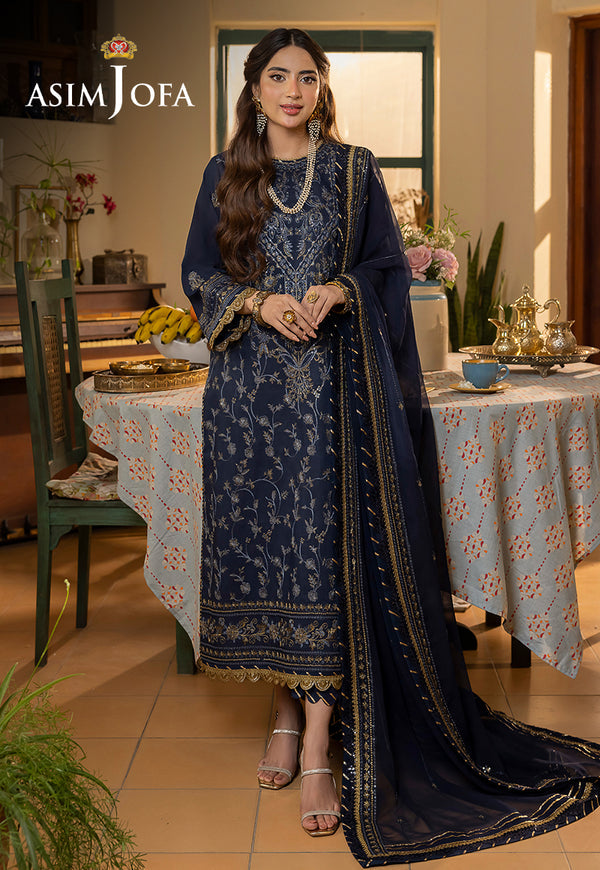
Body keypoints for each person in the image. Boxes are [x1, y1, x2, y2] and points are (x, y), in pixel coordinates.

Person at [182, 27, 600, 865]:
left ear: (320, 87)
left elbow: (384, 267)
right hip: (250, 402)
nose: (293, 91)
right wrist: (259, 304)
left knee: (324, 556)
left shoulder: (352, 169)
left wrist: (339, 288)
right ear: (254, 89)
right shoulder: (224, 173)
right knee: (272, 553)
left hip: (335, 399)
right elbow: (199, 273)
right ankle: (283, 711)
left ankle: (315, 744)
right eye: (277, 77)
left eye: (307, 77)